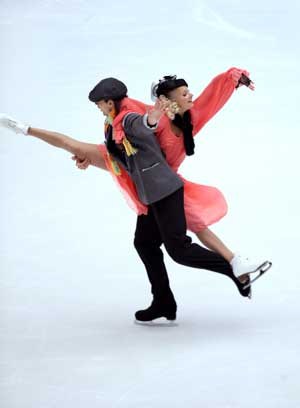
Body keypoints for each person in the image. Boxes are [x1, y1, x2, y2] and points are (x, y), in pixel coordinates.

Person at [0, 74, 271, 322]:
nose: (97, 107)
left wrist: (153, 117)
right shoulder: (115, 119)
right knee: (144, 243)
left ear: (109, 102)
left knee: (179, 250)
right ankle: (164, 301)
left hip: (165, 192)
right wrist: (91, 157)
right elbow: (125, 145)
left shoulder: (127, 117)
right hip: (153, 193)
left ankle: (235, 271)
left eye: (99, 103)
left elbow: (143, 124)